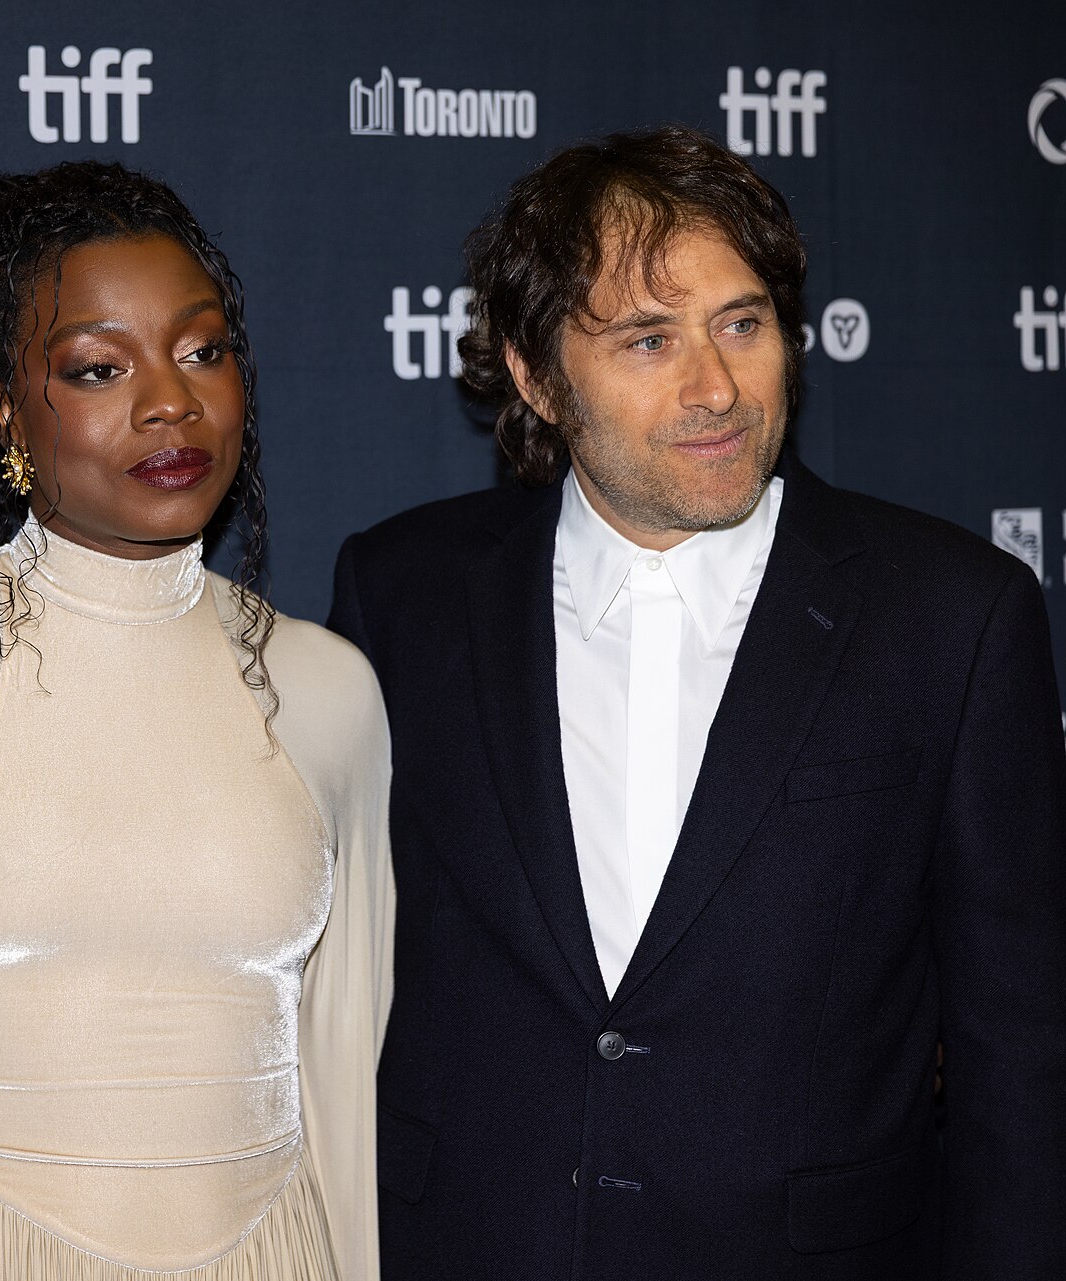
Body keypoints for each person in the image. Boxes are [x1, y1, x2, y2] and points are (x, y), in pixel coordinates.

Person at [330, 125, 1066, 1278]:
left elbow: (1021, 1048)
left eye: (742, 323)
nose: (716, 387)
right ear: (535, 376)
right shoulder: (400, 593)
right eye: (647, 339)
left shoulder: (953, 616)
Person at [0, 161, 394, 1279]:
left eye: (202, 351)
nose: (171, 402)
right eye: (100, 368)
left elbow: (346, 1078)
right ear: (5, 408)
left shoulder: (328, 688)